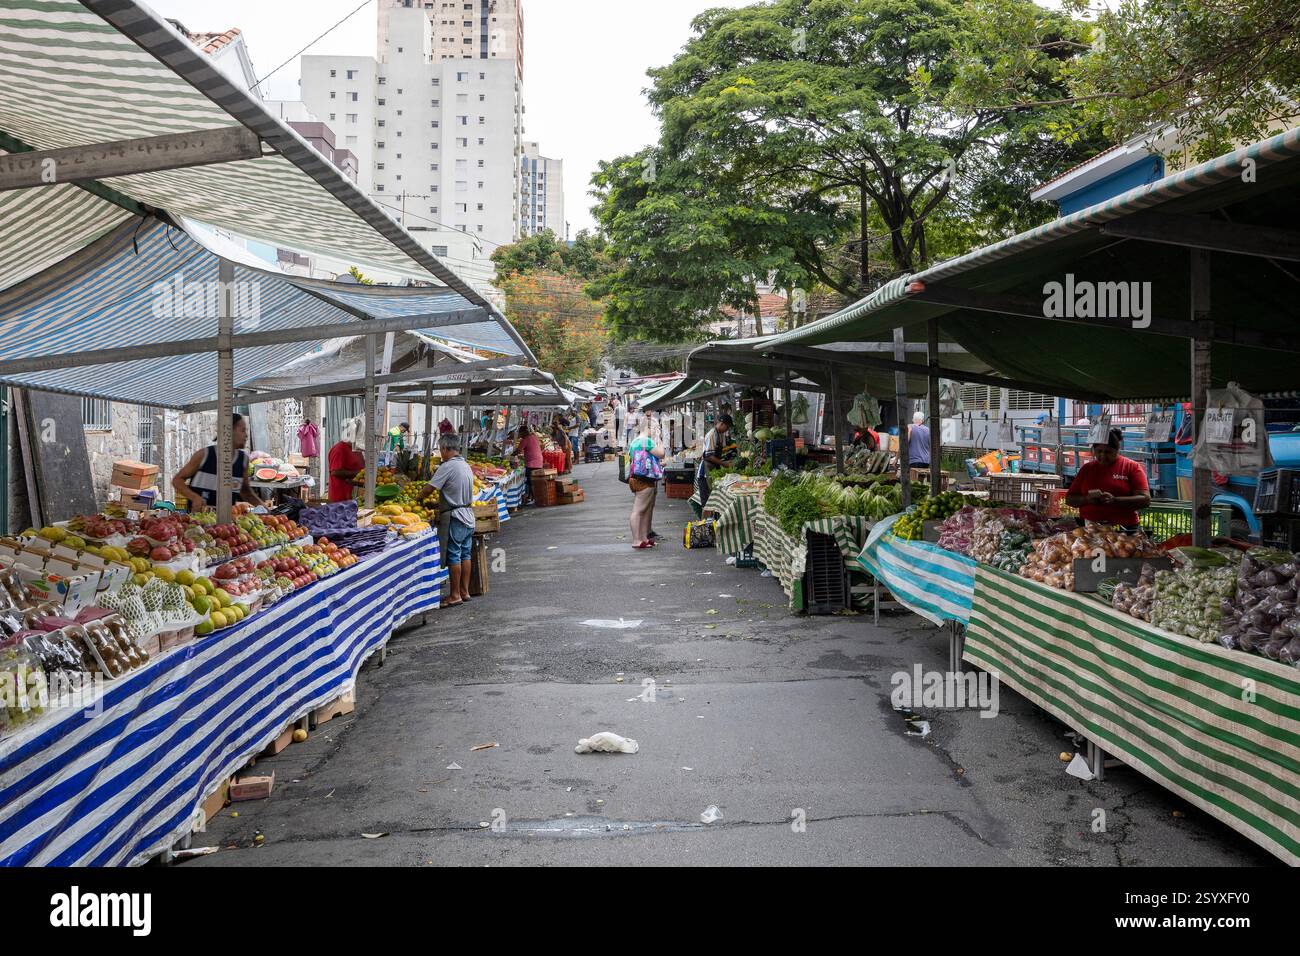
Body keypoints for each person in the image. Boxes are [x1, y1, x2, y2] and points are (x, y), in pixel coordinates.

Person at [173, 414, 267, 510]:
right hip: (198, 521)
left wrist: (266, 509)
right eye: (242, 430)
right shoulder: (204, 455)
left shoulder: (243, 460)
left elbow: (246, 492)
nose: (246, 435)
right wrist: (194, 497)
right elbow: (177, 480)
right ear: (229, 432)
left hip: (227, 523)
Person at [1065, 427, 1151, 531]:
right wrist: (1087, 499)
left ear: (1117, 450)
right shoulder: (1087, 469)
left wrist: (1114, 500)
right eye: (1099, 451)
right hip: (1090, 529)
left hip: (1123, 530)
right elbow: (1069, 499)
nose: (1103, 456)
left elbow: (1145, 500)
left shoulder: (1132, 467)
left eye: (1108, 452)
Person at [429, 433, 476, 607]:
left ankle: (455, 594)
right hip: (468, 515)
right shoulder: (465, 465)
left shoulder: (447, 466)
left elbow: (429, 488)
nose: (440, 453)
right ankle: (465, 592)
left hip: (455, 517)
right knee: (465, 554)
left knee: (454, 555)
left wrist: (418, 499)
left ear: (446, 449)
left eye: (441, 449)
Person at [628, 424, 666, 549]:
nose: (657, 431)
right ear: (648, 428)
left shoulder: (635, 441)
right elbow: (661, 453)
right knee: (638, 510)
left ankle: (643, 538)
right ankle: (636, 540)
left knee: (643, 511)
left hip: (637, 477)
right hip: (644, 479)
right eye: (656, 428)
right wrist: (660, 439)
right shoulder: (646, 441)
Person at [324, 421, 367, 504]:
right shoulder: (339, 449)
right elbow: (335, 472)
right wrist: (359, 473)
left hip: (353, 496)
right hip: (340, 499)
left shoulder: (357, 449)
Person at [696, 413, 733, 508]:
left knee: (712, 501)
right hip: (705, 473)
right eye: (727, 427)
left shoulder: (719, 434)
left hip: (712, 470)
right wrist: (723, 463)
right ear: (722, 424)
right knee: (707, 503)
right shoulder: (712, 434)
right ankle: (704, 522)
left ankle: (712, 522)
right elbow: (708, 456)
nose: (727, 430)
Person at [518, 423, 543, 502]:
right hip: (539, 461)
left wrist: (510, 456)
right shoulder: (534, 437)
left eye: (520, 433)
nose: (520, 435)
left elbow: (518, 451)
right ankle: (531, 496)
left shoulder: (524, 440)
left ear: (524, 432)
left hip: (532, 463)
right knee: (534, 481)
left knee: (530, 482)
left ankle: (533, 498)